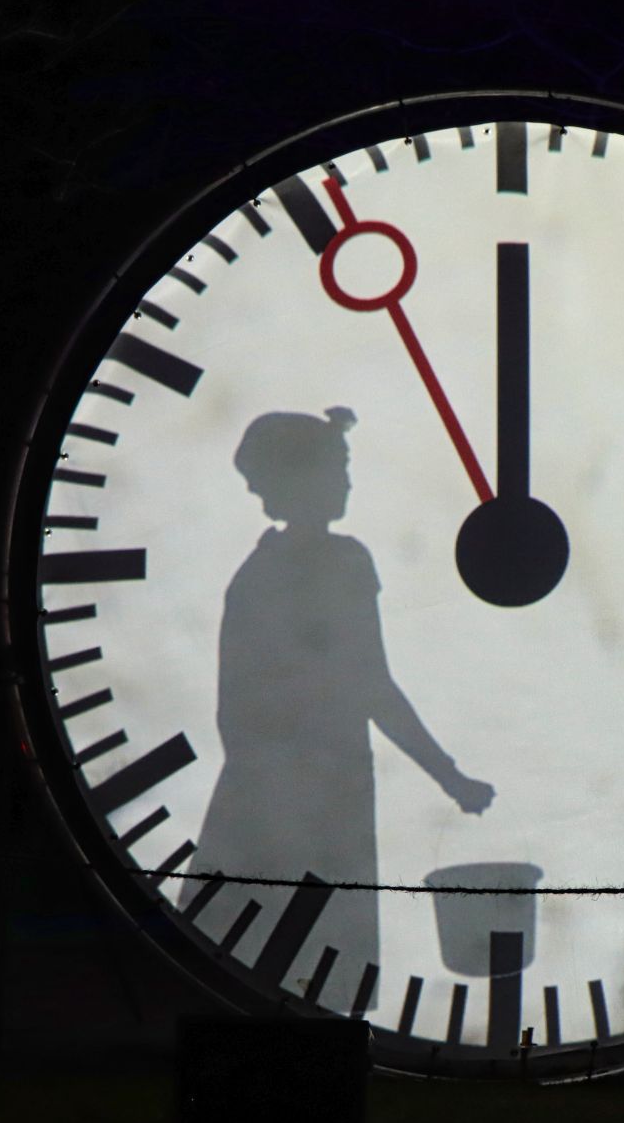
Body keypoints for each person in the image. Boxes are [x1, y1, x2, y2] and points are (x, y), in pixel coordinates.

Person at [194, 407, 492, 982]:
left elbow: (241, 716)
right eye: (338, 467)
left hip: (270, 807)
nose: (348, 482)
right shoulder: (340, 564)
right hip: (313, 808)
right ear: (299, 478)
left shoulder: (256, 574)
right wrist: (449, 776)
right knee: (315, 980)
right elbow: (372, 685)